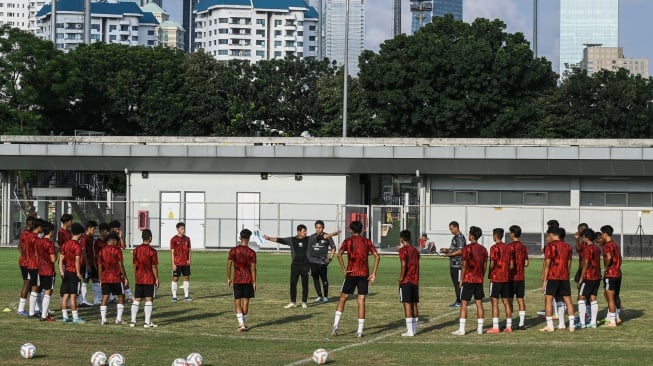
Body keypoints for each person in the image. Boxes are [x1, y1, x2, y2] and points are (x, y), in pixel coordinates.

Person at [331, 220, 380, 338]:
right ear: (362, 230)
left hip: (351, 273)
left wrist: (343, 269)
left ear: (351, 230)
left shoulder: (348, 241)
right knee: (361, 300)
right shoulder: (367, 241)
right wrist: (373, 273)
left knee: (343, 298)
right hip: (364, 274)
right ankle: (360, 331)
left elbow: (339, 255)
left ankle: (336, 325)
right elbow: (377, 256)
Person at [263, 224, 314, 309]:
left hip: (305, 265)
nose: (305, 233)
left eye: (306, 231)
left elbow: (322, 237)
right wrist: (268, 238)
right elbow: (279, 240)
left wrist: (332, 234)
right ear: (298, 232)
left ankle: (304, 302)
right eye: (303, 231)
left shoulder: (309, 239)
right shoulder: (292, 240)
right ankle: (293, 302)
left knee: (305, 284)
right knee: (293, 284)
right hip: (295, 266)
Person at [451, 226, 487, 336]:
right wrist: (482, 276)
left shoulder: (467, 248)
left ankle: (462, 329)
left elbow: (464, 265)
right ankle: (480, 329)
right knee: (479, 304)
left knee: (464, 304)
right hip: (478, 279)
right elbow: (485, 265)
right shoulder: (483, 249)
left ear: (471, 236)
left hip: (468, 279)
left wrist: (461, 279)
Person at [540, 227, 575, 332]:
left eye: (548, 235)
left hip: (553, 277)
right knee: (567, 301)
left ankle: (550, 325)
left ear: (552, 234)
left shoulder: (550, 247)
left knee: (548, 300)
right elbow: (569, 264)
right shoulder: (568, 247)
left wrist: (544, 281)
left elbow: (547, 265)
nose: (547, 238)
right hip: (564, 277)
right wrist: (566, 275)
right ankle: (568, 325)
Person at [227, 229, 257, 332]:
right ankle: (243, 324)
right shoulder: (252, 252)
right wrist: (254, 281)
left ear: (240, 238)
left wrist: (228, 278)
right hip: (248, 279)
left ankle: (241, 324)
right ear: (249, 238)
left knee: (237, 301)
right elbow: (253, 268)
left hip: (237, 279)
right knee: (245, 302)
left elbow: (229, 265)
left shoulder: (233, 250)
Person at [130, 229, 159, 328]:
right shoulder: (152, 251)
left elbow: (134, 264)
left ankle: (133, 321)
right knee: (148, 299)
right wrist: (157, 278)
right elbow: (154, 266)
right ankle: (147, 322)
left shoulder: (136, 250)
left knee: (137, 299)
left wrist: (136, 274)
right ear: (150, 238)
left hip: (139, 277)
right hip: (149, 278)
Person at [98, 233, 128, 325]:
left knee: (105, 297)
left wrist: (100, 278)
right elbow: (120, 265)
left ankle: (103, 319)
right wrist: (125, 277)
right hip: (116, 277)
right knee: (121, 296)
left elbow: (99, 266)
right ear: (114, 241)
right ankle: (118, 319)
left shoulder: (101, 251)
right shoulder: (117, 251)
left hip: (105, 277)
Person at [487, 228, 513, 334]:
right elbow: (511, 265)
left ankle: (496, 327)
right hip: (506, 278)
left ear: (495, 236)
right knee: (506, 302)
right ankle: (509, 326)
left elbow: (492, 263)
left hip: (496, 278)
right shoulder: (508, 248)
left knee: (494, 302)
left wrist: (490, 272)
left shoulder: (494, 248)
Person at [59, 222, 86, 324]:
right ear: (79, 234)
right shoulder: (77, 246)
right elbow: (77, 261)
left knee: (65, 295)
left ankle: (65, 316)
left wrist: (62, 271)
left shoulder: (66, 244)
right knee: (74, 295)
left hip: (67, 272)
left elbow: (61, 259)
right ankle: (75, 317)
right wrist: (79, 273)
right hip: (74, 272)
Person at [308, 220, 338, 303]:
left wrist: (330, 258)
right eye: (317, 228)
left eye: (320, 228)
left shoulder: (327, 236)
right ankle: (319, 296)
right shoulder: (312, 237)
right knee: (315, 279)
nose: (318, 229)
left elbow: (333, 248)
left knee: (324, 279)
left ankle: (325, 296)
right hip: (313, 262)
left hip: (322, 262)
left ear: (323, 228)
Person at [577, 228, 601, 329]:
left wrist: (581, 278)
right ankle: (593, 322)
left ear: (586, 238)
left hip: (589, 276)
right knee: (593, 298)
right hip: (597, 276)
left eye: (583, 237)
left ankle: (582, 323)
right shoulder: (597, 247)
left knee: (581, 298)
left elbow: (586, 264)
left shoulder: (587, 249)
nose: (582, 238)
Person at [398, 230, 420, 337]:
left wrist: (401, 276)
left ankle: (409, 331)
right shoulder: (415, 250)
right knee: (414, 304)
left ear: (401, 239)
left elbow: (403, 264)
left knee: (407, 304)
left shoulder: (403, 250)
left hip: (406, 280)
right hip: (415, 280)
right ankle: (415, 329)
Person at [600, 225, 622, 327]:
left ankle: (612, 321)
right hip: (618, 273)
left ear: (605, 234)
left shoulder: (607, 246)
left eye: (601, 234)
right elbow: (620, 258)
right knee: (615, 295)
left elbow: (608, 257)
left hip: (611, 274)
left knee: (610, 297)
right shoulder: (615, 245)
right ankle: (617, 317)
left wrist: (606, 266)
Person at [508, 225, 529, 330]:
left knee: (510, 300)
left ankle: (510, 323)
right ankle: (521, 323)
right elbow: (526, 263)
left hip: (511, 277)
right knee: (520, 299)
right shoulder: (524, 247)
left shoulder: (510, 247)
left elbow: (509, 264)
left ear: (512, 233)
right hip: (521, 277)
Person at [109, 220, 134, 302]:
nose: (117, 230)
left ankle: (130, 296)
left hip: (118, 261)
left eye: (118, 229)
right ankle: (111, 297)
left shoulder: (118, 238)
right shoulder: (109, 238)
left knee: (123, 278)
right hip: (111, 262)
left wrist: (120, 236)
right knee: (111, 279)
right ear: (112, 229)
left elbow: (123, 247)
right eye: (116, 229)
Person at [37, 221, 57, 322]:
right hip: (49, 270)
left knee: (40, 291)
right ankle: (44, 315)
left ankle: (42, 312)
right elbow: (53, 259)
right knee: (48, 292)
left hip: (40, 269)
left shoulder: (39, 241)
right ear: (51, 232)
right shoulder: (50, 243)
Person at [443, 221, 466, 308]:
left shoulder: (460, 237)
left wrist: (449, 254)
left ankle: (459, 301)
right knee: (455, 283)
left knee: (459, 283)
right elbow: (454, 249)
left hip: (458, 265)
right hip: (453, 264)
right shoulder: (455, 237)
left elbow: (461, 251)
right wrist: (446, 250)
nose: (451, 231)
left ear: (456, 227)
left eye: (451, 229)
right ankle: (458, 299)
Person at [17, 216, 36, 316]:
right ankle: (20, 309)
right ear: (31, 224)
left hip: (26, 262)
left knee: (32, 285)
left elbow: (19, 247)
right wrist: (27, 256)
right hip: (26, 263)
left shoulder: (25, 233)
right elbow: (21, 248)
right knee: (27, 284)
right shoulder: (27, 234)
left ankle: (36, 307)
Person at [26, 219, 44, 318]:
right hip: (35, 265)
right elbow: (37, 253)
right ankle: (32, 312)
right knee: (35, 288)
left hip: (30, 264)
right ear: (39, 227)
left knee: (35, 287)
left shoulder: (29, 236)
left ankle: (37, 310)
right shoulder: (35, 238)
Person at [170, 222, 192, 302]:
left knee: (186, 278)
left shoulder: (187, 239)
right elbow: (172, 252)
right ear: (177, 229)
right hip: (177, 262)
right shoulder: (173, 239)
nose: (183, 230)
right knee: (175, 279)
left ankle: (186, 296)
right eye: (182, 228)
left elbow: (189, 250)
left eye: (184, 228)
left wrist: (189, 259)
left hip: (185, 263)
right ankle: (174, 296)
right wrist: (173, 263)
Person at [89, 222, 109, 305]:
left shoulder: (107, 242)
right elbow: (95, 254)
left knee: (105, 281)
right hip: (97, 264)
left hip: (105, 265)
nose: (108, 233)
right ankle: (97, 299)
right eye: (106, 231)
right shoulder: (97, 242)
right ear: (102, 231)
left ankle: (105, 297)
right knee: (96, 281)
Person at [78, 220, 97, 307]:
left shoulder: (91, 238)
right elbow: (83, 251)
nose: (95, 230)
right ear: (88, 228)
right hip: (86, 263)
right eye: (93, 228)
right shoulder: (84, 238)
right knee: (85, 281)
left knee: (95, 279)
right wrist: (87, 264)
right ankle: (84, 300)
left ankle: (97, 299)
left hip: (91, 262)